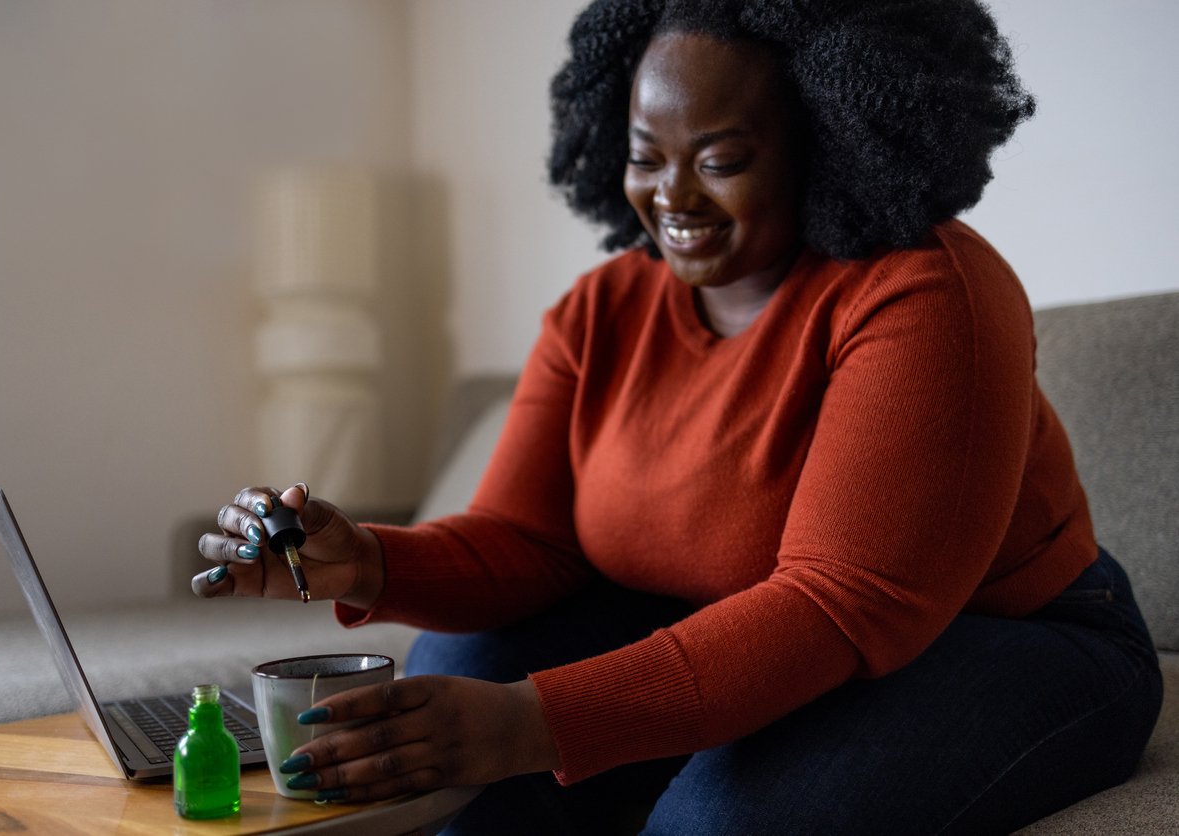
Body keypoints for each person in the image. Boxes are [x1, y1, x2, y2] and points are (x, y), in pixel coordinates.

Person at [194, 1, 1163, 832]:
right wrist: (362, 557)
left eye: (720, 158)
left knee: (720, 819)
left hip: (1014, 637)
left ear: (823, 142)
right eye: (643, 156)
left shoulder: (927, 290)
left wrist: (530, 722)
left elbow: (839, 602)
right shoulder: (601, 306)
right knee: (460, 670)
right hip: (717, 611)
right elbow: (525, 539)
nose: (671, 197)